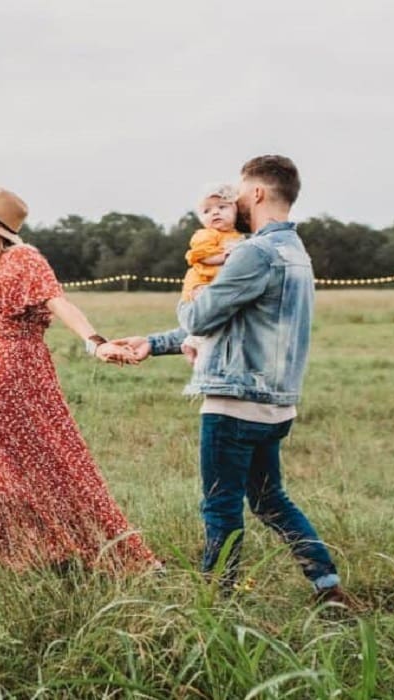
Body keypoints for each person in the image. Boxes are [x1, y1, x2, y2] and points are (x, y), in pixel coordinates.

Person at [114, 156, 349, 604]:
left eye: (240, 192)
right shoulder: (295, 253)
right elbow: (232, 322)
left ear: (257, 193)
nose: (234, 201)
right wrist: (154, 342)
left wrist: (191, 295)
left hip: (234, 403)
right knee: (269, 500)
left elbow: (200, 315)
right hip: (276, 404)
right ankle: (326, 585)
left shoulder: (254, 252)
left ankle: (215, 603)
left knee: (220, 506)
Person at [0, 186, 160, 572]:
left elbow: (58, 301)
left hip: (15, 372)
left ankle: (59, 548)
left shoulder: (24, 257)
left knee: (47, 459)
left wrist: (95, 342)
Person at [181, 184, 246, 365]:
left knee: (221, 316)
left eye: (222, 207)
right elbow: (201, 256)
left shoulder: (236, 236)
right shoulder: (206, 235)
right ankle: (195, 344)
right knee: (209, 313)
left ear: (235, 210)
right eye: (207, 211)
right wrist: (225, 257)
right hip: (202, 282)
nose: (215, 213)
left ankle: (193, 342)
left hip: (217, 282)